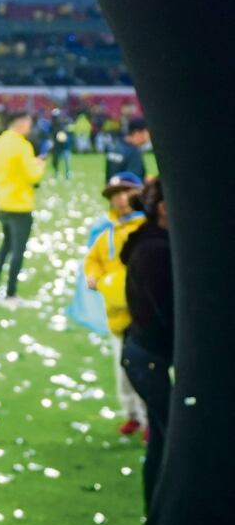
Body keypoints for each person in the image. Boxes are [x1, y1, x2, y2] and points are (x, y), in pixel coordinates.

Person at [120, 177, 172, 511]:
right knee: (167, 439)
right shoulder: (154, 250)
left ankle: (156, 508)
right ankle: (157, 509)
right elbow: (167, 310)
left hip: (145, 353)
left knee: (164, 438)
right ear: (164, 209)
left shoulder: (152, 243)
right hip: (147, 356)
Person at [84, 172, 147, 436]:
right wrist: (94, 275)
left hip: (144, 313)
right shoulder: (107, 233)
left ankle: (150, 417)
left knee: (146, 367)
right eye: (115, 195)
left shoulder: (145, 228)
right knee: (123, 368)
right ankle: (132, 414)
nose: (120, 199)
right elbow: (94, 259)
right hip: (117, 313)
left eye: (126, 192)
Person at [0, 111, 46, 304]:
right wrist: (39, 164)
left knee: (5, 247)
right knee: (17, 251)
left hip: (3, 201)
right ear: (20, 123)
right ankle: (11, 293)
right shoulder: (22, 145)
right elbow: (32, 175)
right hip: (20, 203)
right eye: (28, 123)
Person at [106, 118, 148, 182]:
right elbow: (134, 180)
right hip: (126, 188)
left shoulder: (115, 147)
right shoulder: (133, 152)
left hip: (111, 187)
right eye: (147, 132)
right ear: (137, 132)